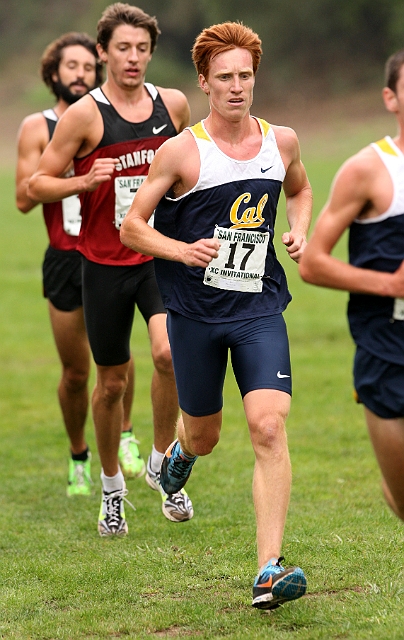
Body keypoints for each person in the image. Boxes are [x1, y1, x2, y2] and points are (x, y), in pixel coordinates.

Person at [120, 21, 311, 609]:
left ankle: (269, 570)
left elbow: (300, 190)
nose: (236, 87)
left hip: (258, 309)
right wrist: (183, 250)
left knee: (269, 426)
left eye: (245, 76)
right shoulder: (181, 151)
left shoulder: (282, 142)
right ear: (203, 83)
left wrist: (297, 230)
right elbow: (131, 227)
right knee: (204, 435)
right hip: (195, 314)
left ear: (256, 78)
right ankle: (181, 454)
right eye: (224, 77)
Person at [28, 3, 194, 536]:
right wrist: (82, 181)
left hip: (156, 255)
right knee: (111, 385)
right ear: (103, 53)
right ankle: (110, 489)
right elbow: (36, 185)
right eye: (122, 48)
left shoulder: (174, 105)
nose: (133, 58)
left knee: (168, 352)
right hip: (102, 264)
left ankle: (163, 460)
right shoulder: (85, 116)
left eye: (142, 48)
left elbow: (189, 170)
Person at [299, 49, 404, 523]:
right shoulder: (368, 169)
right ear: (390, 97)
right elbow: (314, 263)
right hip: (387, 351)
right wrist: (390, 285)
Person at [15, 32, 106, 497]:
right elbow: (22, 199)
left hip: (109, 254)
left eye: (89, 67)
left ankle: (125, 439)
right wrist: (74, 176)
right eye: (71, 66)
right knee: (76, 372)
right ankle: (78, 455)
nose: (80, 74)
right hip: (64, 259)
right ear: (54, 72)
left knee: (117, 362)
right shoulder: (38, 127)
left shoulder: (110, 120)